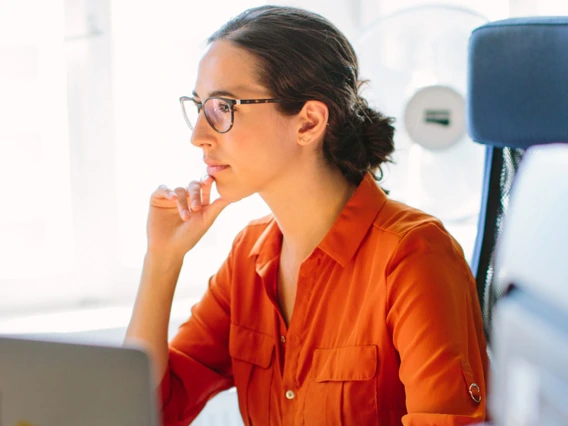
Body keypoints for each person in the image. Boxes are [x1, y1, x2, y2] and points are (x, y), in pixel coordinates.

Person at [125, 5, 488, 426]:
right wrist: (162, 260)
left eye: (222, 108)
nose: (198, 136)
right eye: (199, 106)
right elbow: (145, 412)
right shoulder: (248, 258)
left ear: (308, 123)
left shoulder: (412, 257)